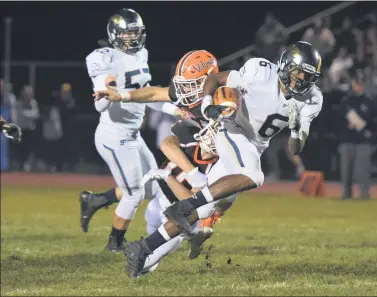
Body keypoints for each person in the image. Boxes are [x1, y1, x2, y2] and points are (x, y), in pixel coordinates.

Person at [123, 41, 324, 278]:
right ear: (284, 67)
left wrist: (296, 126)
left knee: (205, 210)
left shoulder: (313, 99)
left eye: (307, 77)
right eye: (297, 73)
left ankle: (144, 250)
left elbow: (295, 148)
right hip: (233, 128)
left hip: (253, 147)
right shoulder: (260, 71)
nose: (300, 81)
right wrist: (209, 107)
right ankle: (187, 204)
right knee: (254, 176)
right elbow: (216, 79)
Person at [83, 50, 226, 256]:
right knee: (159, 201)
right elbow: (152, 93)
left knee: (217, 199)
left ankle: (203, 222)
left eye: (190, 83)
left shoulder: (224, 98)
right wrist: (121, 95)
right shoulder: (190, 94)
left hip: (228, 156)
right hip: (201, 150)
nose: (184, 90)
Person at [82, 8, 189, 252]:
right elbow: (100, 105)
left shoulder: (142, 54)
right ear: (115, 34)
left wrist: (174, 110)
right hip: (114, 134)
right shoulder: (102, 57)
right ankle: (115, 245)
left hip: (133, 134)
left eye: (136, 33)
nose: (133, 38)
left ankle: (96, 200)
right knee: (134, 194)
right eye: (127, 33)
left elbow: (147, 93)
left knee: (151, 186)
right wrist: (106, 87)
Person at [337, 70, 377, 199]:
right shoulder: (347, 101)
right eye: (356, 84)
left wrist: (371, 132)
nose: (357, 86)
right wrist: (345, 127)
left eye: (360, 84)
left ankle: (364, 193)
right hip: (348, 139)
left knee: (362, 169)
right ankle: (346, 193)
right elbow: (338, 118)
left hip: (363, 140)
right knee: (346, 169)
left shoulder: (370, 102)